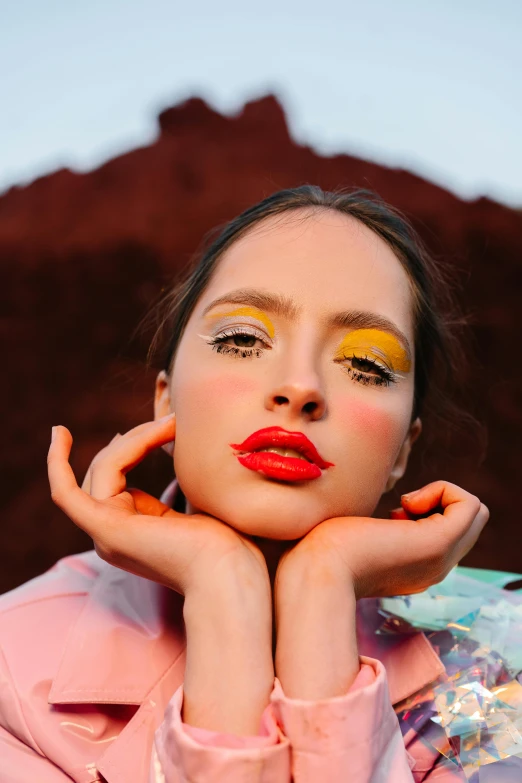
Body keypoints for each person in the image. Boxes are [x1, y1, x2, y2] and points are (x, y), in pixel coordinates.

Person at [0, 186, 490, 782]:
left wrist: (323, 586)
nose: (300, 386)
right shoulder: (11, 664)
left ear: (402, 451)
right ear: (165, 406)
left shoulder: (494, 672)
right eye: (242, 340)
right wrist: (222, 589)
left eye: (366, 364)